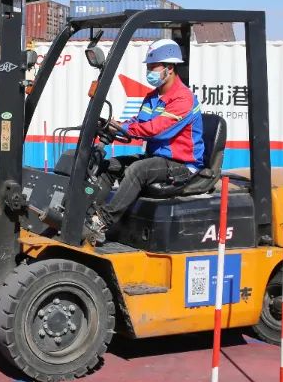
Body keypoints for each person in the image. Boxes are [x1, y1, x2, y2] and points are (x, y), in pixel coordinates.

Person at [85, 39, 204, 244]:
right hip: (157, 159)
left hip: (182, 164)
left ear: (169, 67)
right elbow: (139, 122)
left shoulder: (183, 99)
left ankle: (102, 221)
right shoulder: (152, 97)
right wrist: (117, 125)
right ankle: (86, 214)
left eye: (153, 66)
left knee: (138, 170)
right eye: (148, 67)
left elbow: (158, 131)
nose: (149, 71)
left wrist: (126, 129)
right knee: (109, 166)